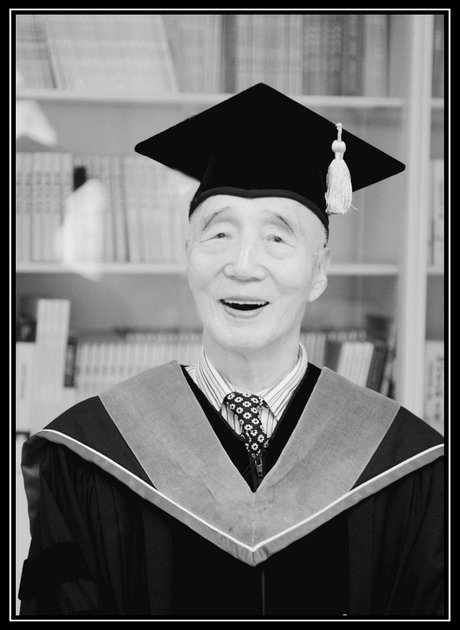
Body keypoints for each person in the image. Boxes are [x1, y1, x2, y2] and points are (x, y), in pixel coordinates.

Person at [18, 83, 445, 620]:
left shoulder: (404, 464)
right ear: (188, 256)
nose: (243, 266)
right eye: (218, 234)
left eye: (277, 238)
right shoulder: (92, 454)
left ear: (318, 270)